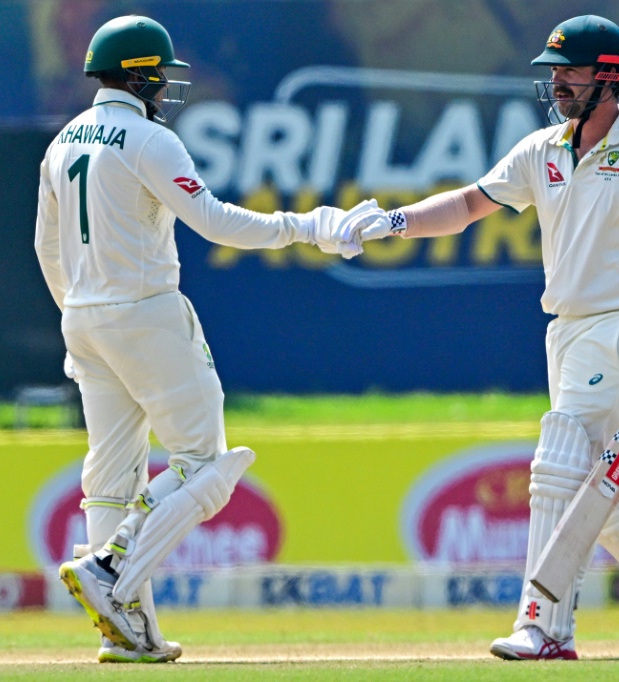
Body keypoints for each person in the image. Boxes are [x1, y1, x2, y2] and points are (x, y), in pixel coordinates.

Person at [354, 14, 619, 661]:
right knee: (602, 492)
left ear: (610, 78)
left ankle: (544, 626)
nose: (557, 81)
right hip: (566, 334)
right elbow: (470, 204)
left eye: (571, 70)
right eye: (553, 71)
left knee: (559, 458)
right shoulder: (543, 151)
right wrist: (392, 221)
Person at [34, 15, 380, 663]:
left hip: (83, 318)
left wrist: (79, 315)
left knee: (109, 482)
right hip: (146, 312)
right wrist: (307, 227)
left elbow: (45, 248)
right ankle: (110, 563)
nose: (165, 86)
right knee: (209, 467)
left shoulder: (61, 143)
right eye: (159, 74)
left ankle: (131, 631)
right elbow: (216, 222)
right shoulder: (146, 137)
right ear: (138, 75)